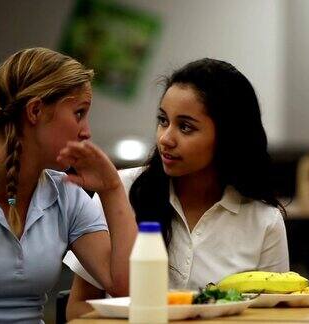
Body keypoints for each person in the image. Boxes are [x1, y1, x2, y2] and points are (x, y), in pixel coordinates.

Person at [64, 58, 290, 319]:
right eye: (163, 120)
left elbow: (277, 318)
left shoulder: (264, 221)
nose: (165, 138)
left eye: (185, 127)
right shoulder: (119, 190)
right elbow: (78, 309)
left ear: (228, 137)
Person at [0, 47, 137, 322]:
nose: (87, 131)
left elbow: (126, 290)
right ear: (35, 111)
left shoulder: (66, 194)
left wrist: (112, 188)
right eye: (79, 113)